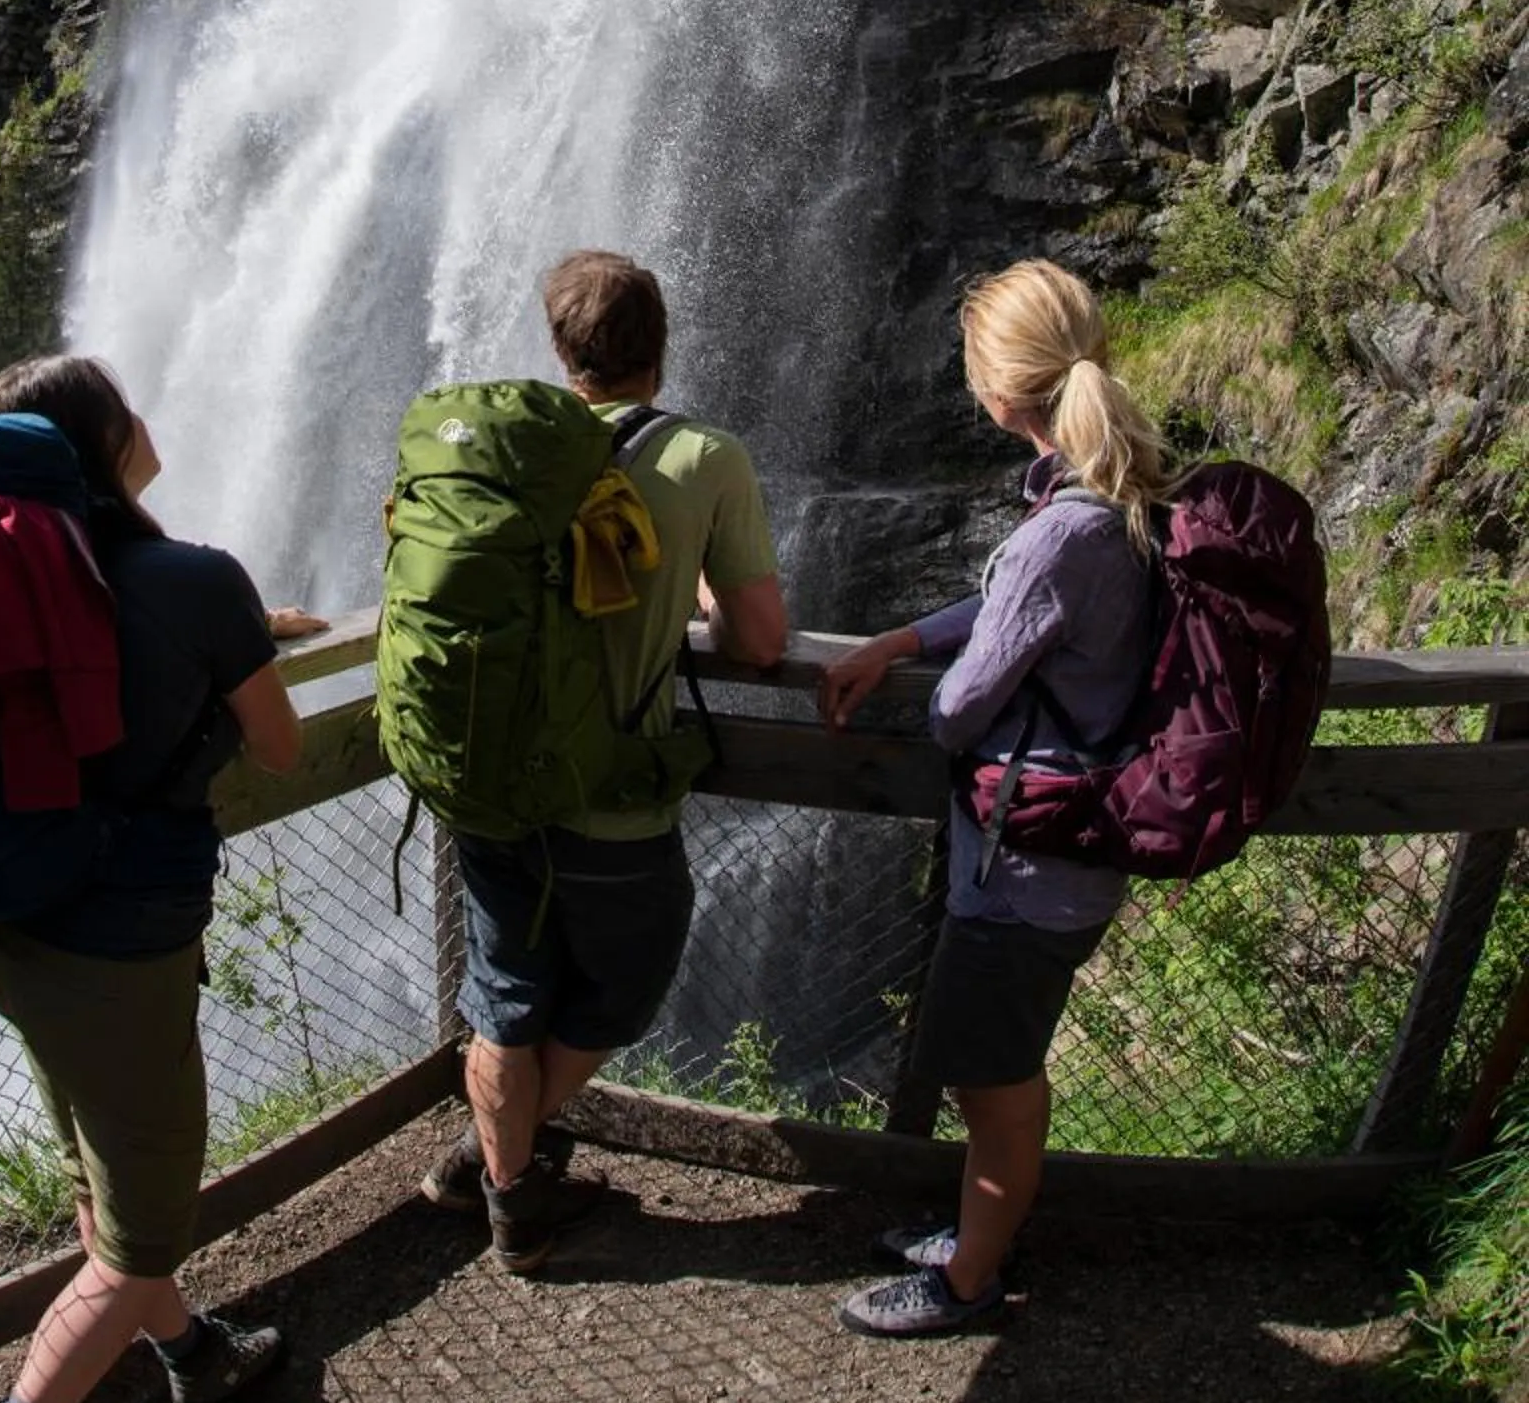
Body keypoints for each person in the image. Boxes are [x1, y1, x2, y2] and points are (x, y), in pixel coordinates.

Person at [0, 354, 319, 1403]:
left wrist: (240, 634)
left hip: (18, 936)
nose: (147, 416)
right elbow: (283, 749)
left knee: (99, 1186)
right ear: (104, 445)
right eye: (123, 410)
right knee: (145, 1230)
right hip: (127, 950)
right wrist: (239, 644)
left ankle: (197, 1360)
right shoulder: (193, 581)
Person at [420, 249, 790, 1274]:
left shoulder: (497, 450)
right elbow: (761, 641)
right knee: (624, 984)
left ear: (558, 349)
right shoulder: (702, 458)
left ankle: (498, 1176)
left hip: (488, 784)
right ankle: (508, 1179)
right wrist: (696, 596)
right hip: (610, 796)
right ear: (661, 347)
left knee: (503, 995)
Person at [818, 258, 1167, 1336]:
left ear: (996, 392)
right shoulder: (1117, 492)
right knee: (993, 1063)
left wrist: (931, 683)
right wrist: (903, 637)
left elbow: (960, 708)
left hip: (1023, 867)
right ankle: (973, 1231)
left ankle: (970, 1276)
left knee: (991, 1078)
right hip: (1071, 854)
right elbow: (1006, 611)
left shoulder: (1056, 532)